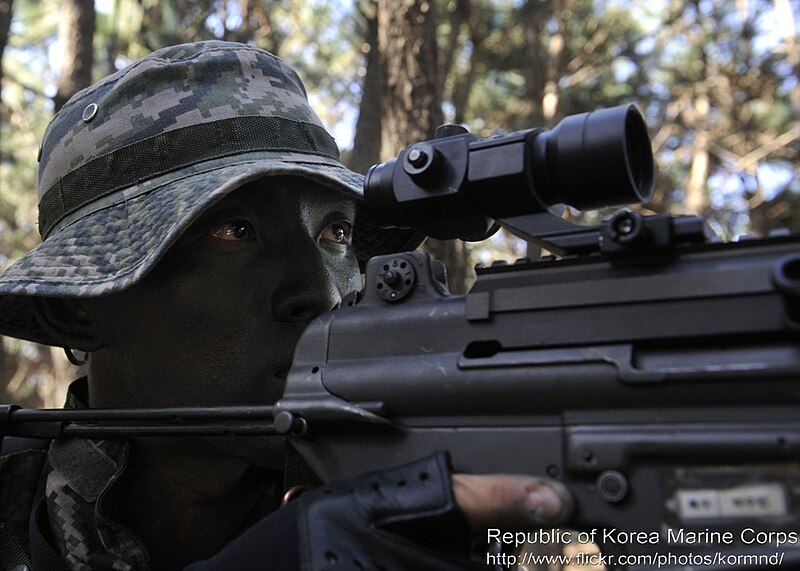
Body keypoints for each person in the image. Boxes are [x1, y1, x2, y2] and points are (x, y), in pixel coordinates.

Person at [0, 41, 572, 569]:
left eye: (336, 233)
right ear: (76, 307)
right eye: (234, 230)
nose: (321, 293)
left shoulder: (423, 497)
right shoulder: (13, 509)